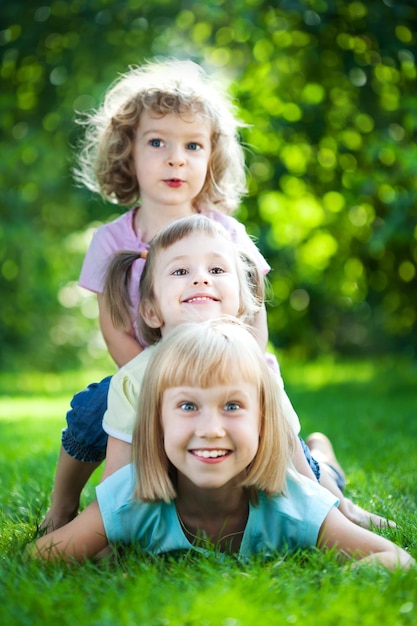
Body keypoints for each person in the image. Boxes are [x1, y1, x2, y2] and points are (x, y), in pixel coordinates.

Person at [40, 57, 271, 533]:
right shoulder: (110, 240)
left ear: (211, 157)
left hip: (227, 374)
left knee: (279, 422)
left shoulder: (227, 232)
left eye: (192, 145)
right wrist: (145, 376)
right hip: (142, 376)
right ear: (127, 153)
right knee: (89, 411)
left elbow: (254, 307)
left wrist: (248, 365)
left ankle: (330, 496)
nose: (175, 158)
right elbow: (113, 324)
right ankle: (62, 507)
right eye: (157, 142)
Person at [32, 318, 414, 569]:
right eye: (187, 406)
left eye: (232, 405)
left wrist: (340, 591)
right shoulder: (131, 497)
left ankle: (320, 453)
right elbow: (41, 558)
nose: (211, 428)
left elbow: (395, 558)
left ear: (263, 421)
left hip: (305, 477)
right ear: (156, 423)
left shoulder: (295, 503)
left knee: (322, 470)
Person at [100, 214, 394, 529]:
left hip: (269, 473)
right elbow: (116, 482)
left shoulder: (255, 369)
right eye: (181, 271)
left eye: (216, 270)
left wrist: (337, 513)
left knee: (319, 469)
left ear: (242, 303)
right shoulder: (133, 380)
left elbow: (294, 462)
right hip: (188, 487)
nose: (201, 279)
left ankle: (324, 455)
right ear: (150, 311)